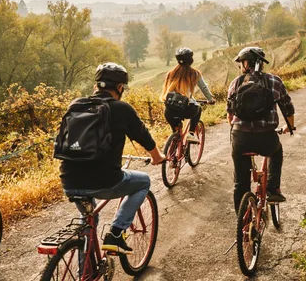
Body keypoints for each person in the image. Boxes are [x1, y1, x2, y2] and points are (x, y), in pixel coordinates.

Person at [60, 62, 165, 255]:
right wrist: (157, 157)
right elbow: (144, 137)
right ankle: (116, 233)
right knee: (143, 182)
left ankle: (86, 273)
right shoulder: (122, 109)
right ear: (119, 88)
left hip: (69, 180)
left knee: (88, 222)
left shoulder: (76, 105)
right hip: (105, 181)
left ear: (96, 85)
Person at [226, 47, 295, 213]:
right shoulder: (274, 81)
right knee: (276, 151)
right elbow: (288, 108)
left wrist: (239, 129)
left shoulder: (235, 83)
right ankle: (273, 189)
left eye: (241, 63)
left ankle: (242, 223)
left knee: (240, 184)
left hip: (240, 138)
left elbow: (229, 116)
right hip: (266, 138)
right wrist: (290, 127)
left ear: (247, 63)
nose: (240, 67)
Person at [161, 47, 216, 143]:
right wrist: (210, 99)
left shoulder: (171, 73)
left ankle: (173, 147)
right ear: (191, 60)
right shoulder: (194, 73)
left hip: (169, 110)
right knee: (198, 108)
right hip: (186, 109)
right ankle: (191, 133)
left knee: (176, 133)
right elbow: (204, 88)